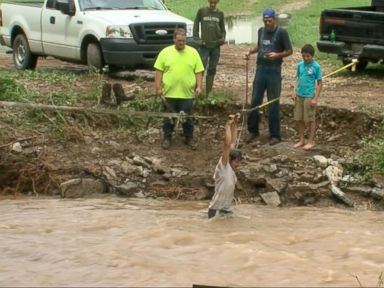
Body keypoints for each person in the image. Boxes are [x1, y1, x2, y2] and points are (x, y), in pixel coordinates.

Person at [245, 8, 293, 146]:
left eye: (269, 20)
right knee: (255, 100)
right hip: (260, 69)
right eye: (265, 20)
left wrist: (277, 55)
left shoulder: (282, 32)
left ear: (274, 19)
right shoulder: (261, 31)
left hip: (274, 71)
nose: (267, 23)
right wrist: (250, 52)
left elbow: (289, 50)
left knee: (273, 102)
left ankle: (275, 135)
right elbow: (260, 46)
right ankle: (253, 131)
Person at [154, 28, 204, 150]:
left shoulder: (193, 53)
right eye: (179, 40)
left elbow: (198, 72)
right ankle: (167, 138)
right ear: (174, 39)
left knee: (187, 118)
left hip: (187, 94)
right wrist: (158, 87)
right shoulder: (165, 52)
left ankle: (189, 138)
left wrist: (199, 86)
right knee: (168, 118)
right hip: (169, 93)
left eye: (184, 40)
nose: (182, 43)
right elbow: (158, 71)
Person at [208, 113, 242, 219]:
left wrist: (235, 124)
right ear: (230, 160)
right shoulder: (223, 167)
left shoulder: (230, 169)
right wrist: (227, 125)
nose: (238, 165)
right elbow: (227, 145)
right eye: (236, 162)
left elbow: (233, 142)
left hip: (226, 210)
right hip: (216, 211)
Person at [291, 44, 323, 150]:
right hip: (299, 95)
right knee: (299, 118)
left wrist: (315, 98)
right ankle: (301, 140)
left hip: (309, 96)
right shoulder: (300, 65)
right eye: (303, 56)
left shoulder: (316, 67)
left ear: (312, 56)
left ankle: (310, 141)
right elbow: (297, 78)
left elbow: (319, 83)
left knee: (310, 119)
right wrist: (294, 91)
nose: (306, 58)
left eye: (308, 56)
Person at [193, 0, 226, 96]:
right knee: (200, 68)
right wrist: (198, 40)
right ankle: (197, 91)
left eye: (214, 2)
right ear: (208, 1)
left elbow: (223, 30)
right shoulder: (202, 11)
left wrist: (222, 39)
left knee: (212, 69)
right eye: (211, 2)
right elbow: (195, 25)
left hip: (215, 47)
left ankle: (209, 93)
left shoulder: (220, 14)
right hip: (204, 46)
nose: (212, 4)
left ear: (217, 2)